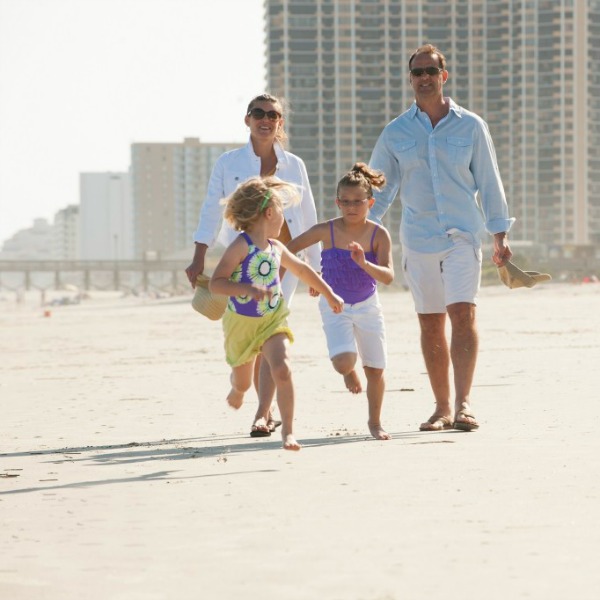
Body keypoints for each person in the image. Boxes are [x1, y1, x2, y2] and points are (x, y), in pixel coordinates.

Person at [368, 43, 515, 432]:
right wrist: (362, 233)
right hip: (417, 239)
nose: (424, 78)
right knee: (431, 323)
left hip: (463, 235)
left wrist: (499, 234)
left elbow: (489, 180)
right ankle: (441, 407)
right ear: (410, 79)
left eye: (431, 71)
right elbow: (379, 189)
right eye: (417, 72)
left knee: (463, 315)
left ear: (443, 76)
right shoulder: (395, 132)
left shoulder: (471, 125)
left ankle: (465, 404)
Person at [185, 93, 321, 432]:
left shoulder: (295, 165)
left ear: (279, 123)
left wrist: (316, 267)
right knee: (252, 329)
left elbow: (308, 215)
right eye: (258, 113)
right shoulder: (228, 163)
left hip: (284, 261)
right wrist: (199, 254)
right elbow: (210, 209)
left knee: (271, 329)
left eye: (272, 115)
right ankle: (249, 391)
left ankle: (264, 411)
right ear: (247, 119)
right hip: (243, 261)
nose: (265, 119)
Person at [209, 177, 344, 451]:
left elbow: (304, 271)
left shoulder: (277, 247)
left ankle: (289, 434)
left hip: (273, 320)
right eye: (282, 208)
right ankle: (237, 389)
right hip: (241, 325)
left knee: (282, 368)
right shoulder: (240, 246)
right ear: (269, 213)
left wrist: (330, 294)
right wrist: (247, 288)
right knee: (244, 382)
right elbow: (216, 283)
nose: (284, 215)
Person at [287, 163, 394, 440]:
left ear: (370, 202)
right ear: (337, 203)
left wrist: (363, 263)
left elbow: (388, 276)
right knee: (343, 363)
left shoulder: (378, 235)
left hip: (368, 305)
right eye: (345, 202)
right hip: (335, 304)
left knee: (376, 368)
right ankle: (348, 372)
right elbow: (288, 251)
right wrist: (312, 281)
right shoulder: (327, 230)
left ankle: (375, 422)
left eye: (358, 202)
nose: (351, 207)